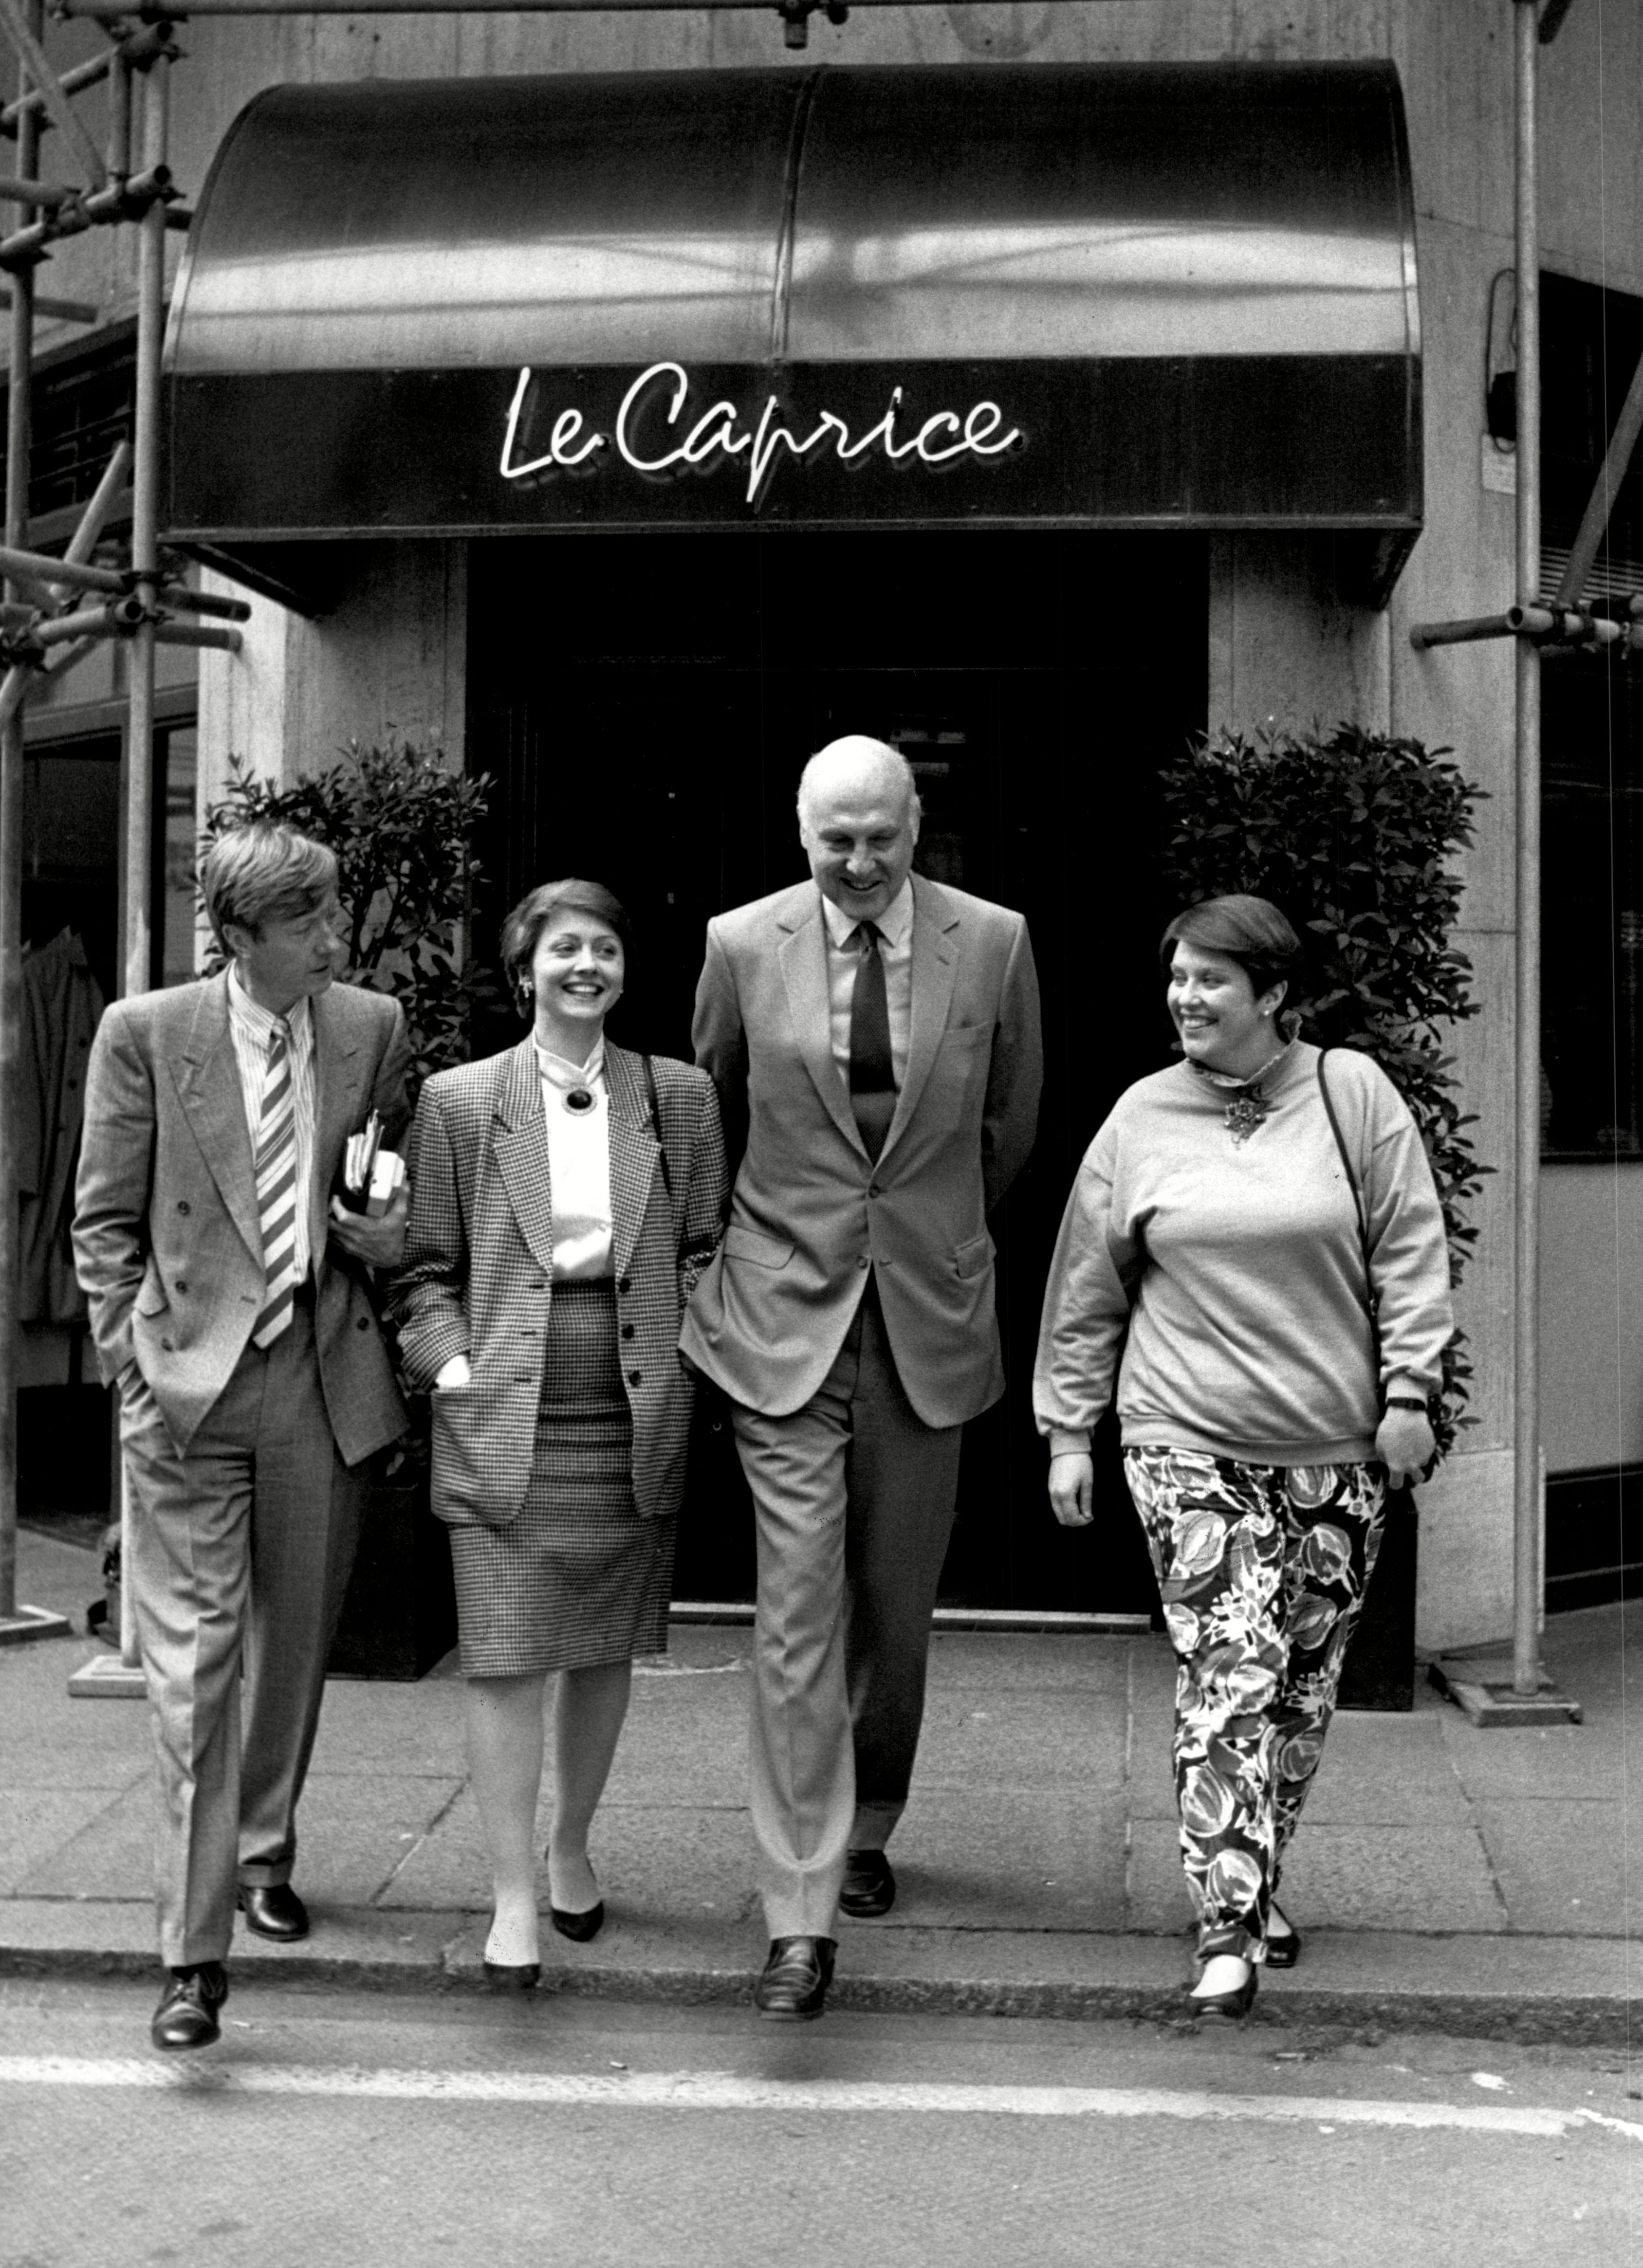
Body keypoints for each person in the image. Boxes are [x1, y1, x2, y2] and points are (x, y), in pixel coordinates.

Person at [1034, 894, 1451, 2018]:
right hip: (1184, 1438)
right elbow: (1087, 1285)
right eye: (1177, 976)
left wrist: (1410, 1389)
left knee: (1303, 1690)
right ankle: (1226, 1923)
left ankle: (1254, 1874)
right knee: (1233, 1669)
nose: (1185, 995)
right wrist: (1070, 1430)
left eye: (1211, 978)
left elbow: (1412, 1246)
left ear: (1273, 995)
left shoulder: (1350, 1092)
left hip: (1333, 1444)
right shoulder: (1138, 1117)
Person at [682, 735, 1043, 2020]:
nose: (856, 859)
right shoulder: (739, 944)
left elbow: (1010, 1123)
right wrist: (753, 1255)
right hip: (780, 1319)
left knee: (893, 1614)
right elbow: (707, 1114)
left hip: (925, 1322)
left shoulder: (992, 942)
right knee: (794, 1618)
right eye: (834, 836)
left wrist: (927, 1235)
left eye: (878, 835)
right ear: (799, 827)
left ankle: (869, 1817)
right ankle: (799, 1912)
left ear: (913, 821)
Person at [72, 823, 412, 2052]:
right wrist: (133, 1363)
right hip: (187, 1390)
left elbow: (386, 1202)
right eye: (312, 920)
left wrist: (385, 1237)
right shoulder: (147, 1034)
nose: (335, 935)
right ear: (242, 935)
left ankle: (264, 1845)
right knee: (195, 1672)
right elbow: (102, 1221)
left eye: (334, 915)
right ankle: (192, 1953)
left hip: (321, 1380)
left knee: (295, 1644)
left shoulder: (371, 1029)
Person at [391, 879, 727, 1984]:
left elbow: (705, 1250)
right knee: (502, 1657)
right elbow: (426, 1266)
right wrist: (454, 1368)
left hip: (632, 1403)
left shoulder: (676, 1096)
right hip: (503, 1407)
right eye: (564, 948)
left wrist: (688, 1360)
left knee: (600, 1647)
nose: (587, 965)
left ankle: (571, 1843)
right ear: (523, 967)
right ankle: (510, 1897)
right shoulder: (458, 1098)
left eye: (606, 947)